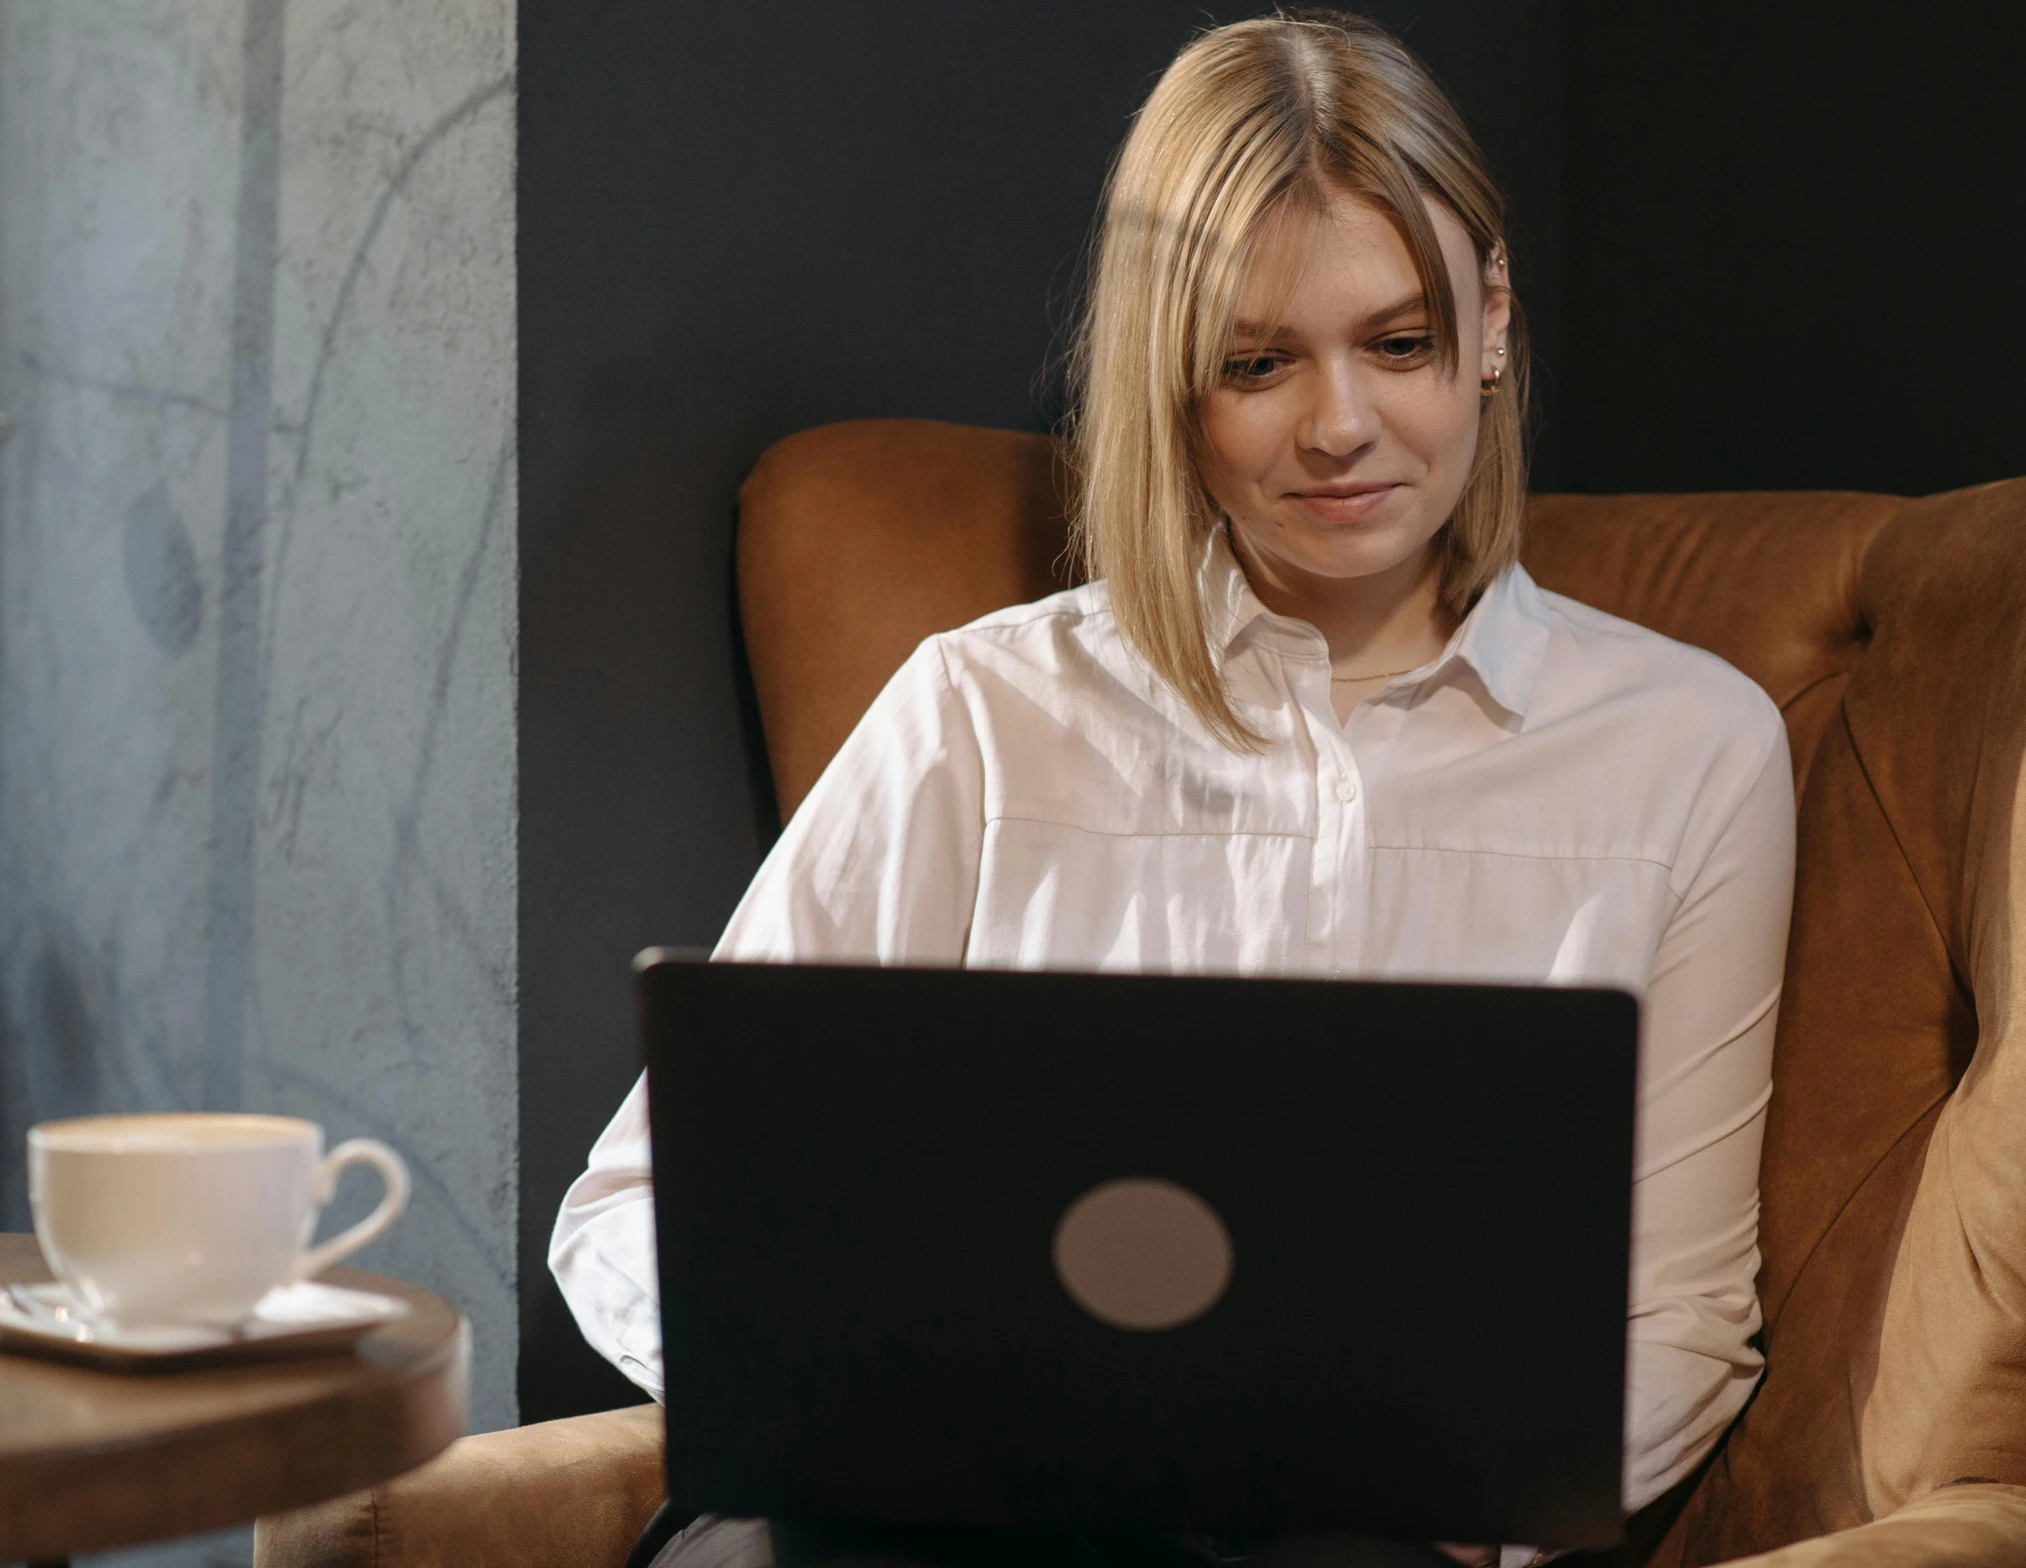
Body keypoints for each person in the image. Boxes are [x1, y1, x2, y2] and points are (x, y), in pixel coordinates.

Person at [552, 11, 1794, 1567]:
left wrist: (1425, 1490)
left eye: (1398, 342)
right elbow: (632, 1211)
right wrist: (842, 1406)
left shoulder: (1693, 747)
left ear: (1491, 322)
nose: (1340, 425)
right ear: (1170, 381)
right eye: (1256, 363)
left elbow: (1678, 1319)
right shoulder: (985, 710)